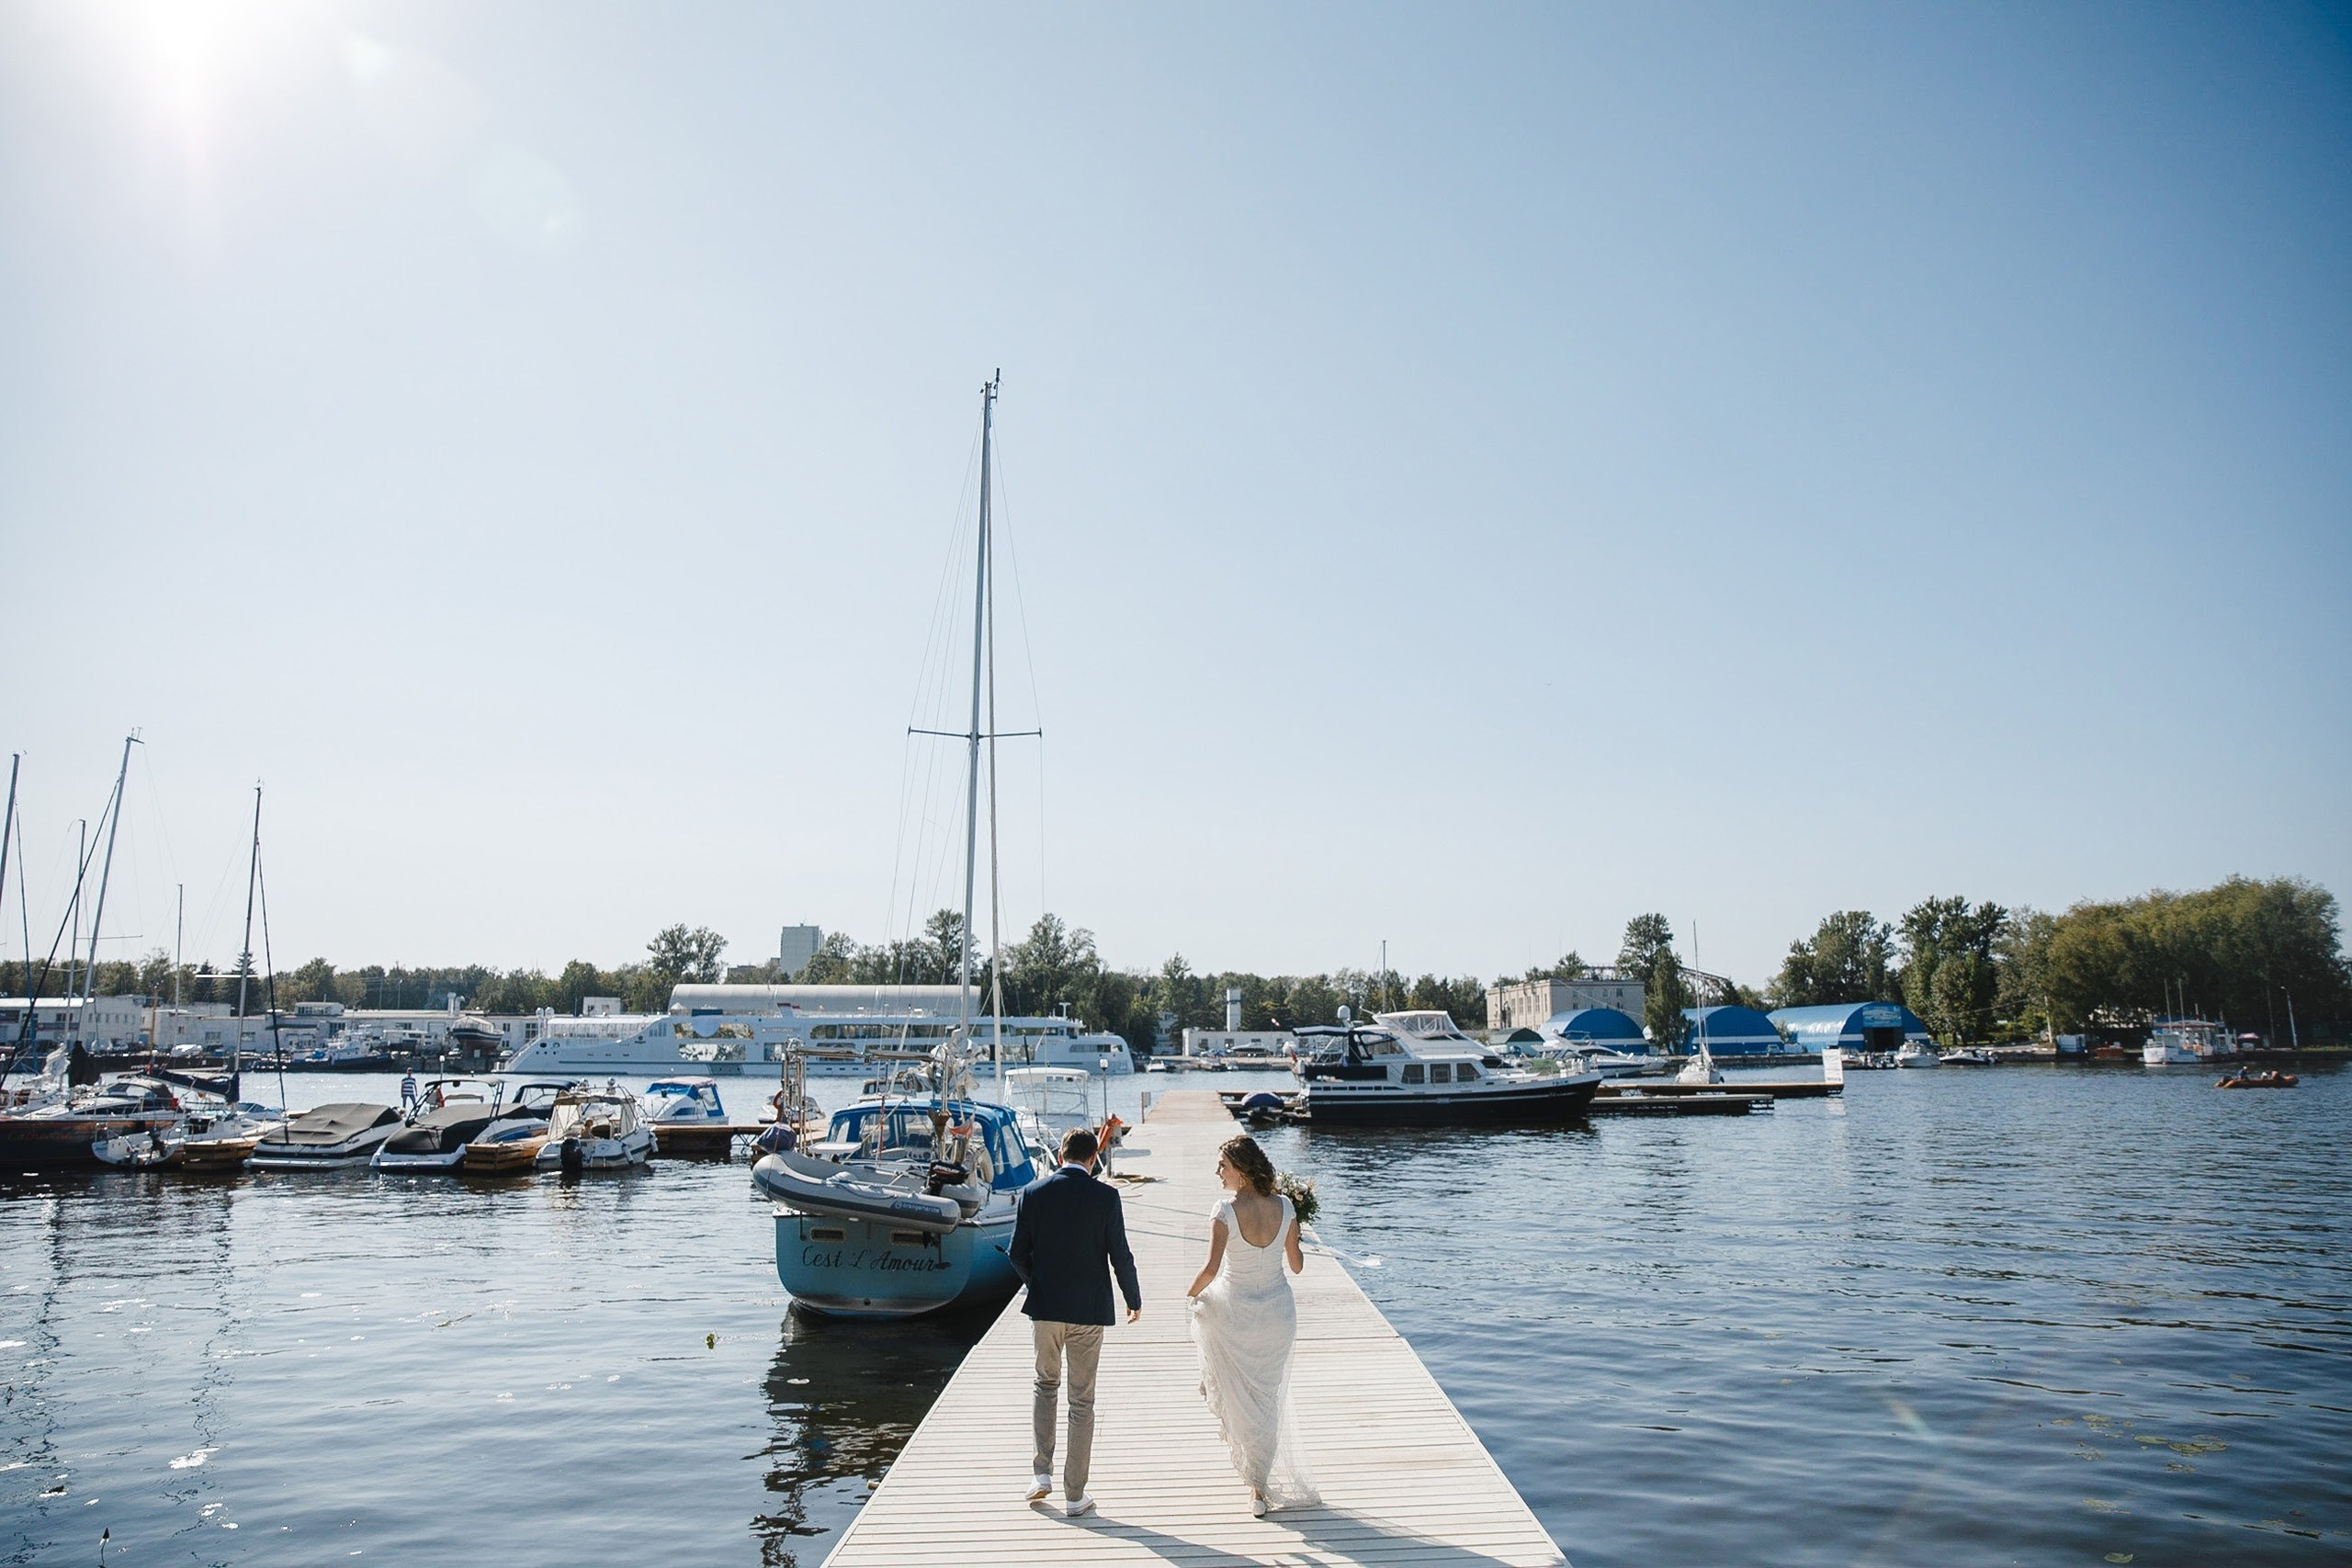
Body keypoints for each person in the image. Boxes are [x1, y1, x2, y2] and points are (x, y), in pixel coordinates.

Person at [1006, 1126, 1141, 1518]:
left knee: (1044, 1385)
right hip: (1087, 1311)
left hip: (1046, 1309)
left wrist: (1040, 1284)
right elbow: (1121, 1254)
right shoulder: (1106, 1196)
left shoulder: (1033, 1193)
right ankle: (1074, 1496)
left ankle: (1040, 1475)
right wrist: (1133, 1299)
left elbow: (1017, 1254)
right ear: (1093, 1157)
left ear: (1061, 1153)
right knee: (1081, 1400)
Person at [1185, 1134, 1317, 1517]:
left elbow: (1210, 1270)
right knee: (1268, 1397)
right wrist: (1294, 1237)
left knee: (1241, 1395)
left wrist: (1189, 1295)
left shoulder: (1224, 1210)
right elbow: (1296, 1266)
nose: (1218, 1173)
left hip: (1237, 1313)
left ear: (1241, 1171)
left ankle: (1257, 1486)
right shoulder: (1287, 1207)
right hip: (1277, 1314)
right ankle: (1259, 1486)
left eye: (1223, 1166)